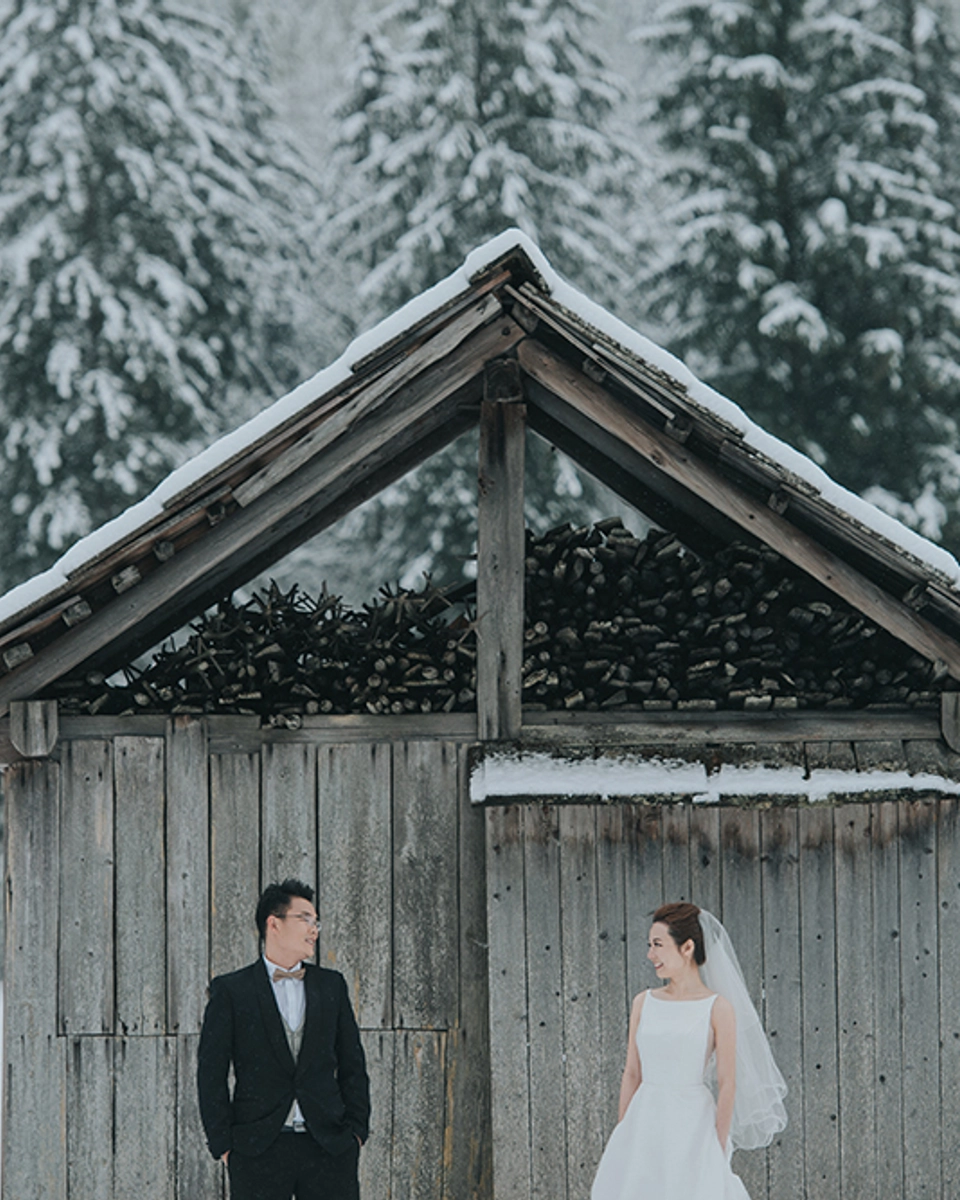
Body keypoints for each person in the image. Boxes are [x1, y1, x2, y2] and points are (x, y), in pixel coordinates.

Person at [591, 902, 787, 1200]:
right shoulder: (643, 1002)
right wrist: (624, 1132)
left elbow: (728, 1083)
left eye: (658, 945)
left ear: (687, 947)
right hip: (645, 1120)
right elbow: (632, 1072)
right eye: (649, 945)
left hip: (693, 1123)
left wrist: (718, 1144)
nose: (650, 954)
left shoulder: (718, 1008)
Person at [197, 878, 371, 1200]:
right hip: (257, 1149)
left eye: (316, 922)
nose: (314, 929)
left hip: (329, 1146)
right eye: (304, 919)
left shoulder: (331, 986)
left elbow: (353, 1064)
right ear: (273, 924)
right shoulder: (232, 990)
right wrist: (224, 1145)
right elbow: (211, 1072)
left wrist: (356, 1133)